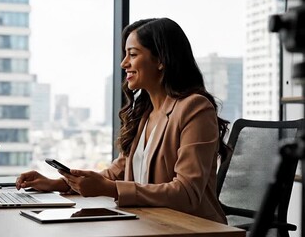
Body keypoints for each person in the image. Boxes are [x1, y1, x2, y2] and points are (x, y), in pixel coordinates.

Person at [16, 17, 229, 224]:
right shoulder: (145, 113)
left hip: (190, 228)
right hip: (149, 224)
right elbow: (115, 171)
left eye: (133, 54)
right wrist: (57, 184)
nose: (124, 63)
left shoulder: (195, 108)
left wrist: (110, 188)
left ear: (161, 60)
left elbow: (187, 193)